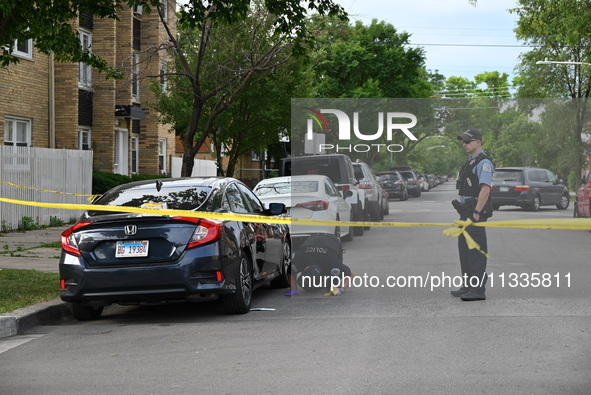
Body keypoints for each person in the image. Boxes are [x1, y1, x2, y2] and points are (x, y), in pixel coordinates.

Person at [452, 128, 494, 301]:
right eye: (463, 141)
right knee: (465, 250)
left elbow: (485, 189)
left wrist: (477, 211)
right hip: (465, 212)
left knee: (475, 250)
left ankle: (478, 290)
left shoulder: (484, 163)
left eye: (468, 141)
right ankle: (468, 285)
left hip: (475, 213)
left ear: (478, 142)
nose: (464, 144)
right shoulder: (470, 162)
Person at [284, 234, 355, 296]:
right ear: (304, 269)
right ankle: (319, 283)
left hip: (332, 241)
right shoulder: (300, 259)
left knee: (332, 285)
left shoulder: (332, 263)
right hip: (312, 239)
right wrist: (293, 289)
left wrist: (340, 288)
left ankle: (327, 282)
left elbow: (352, 275)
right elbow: (291, 272)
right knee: (308, 288)